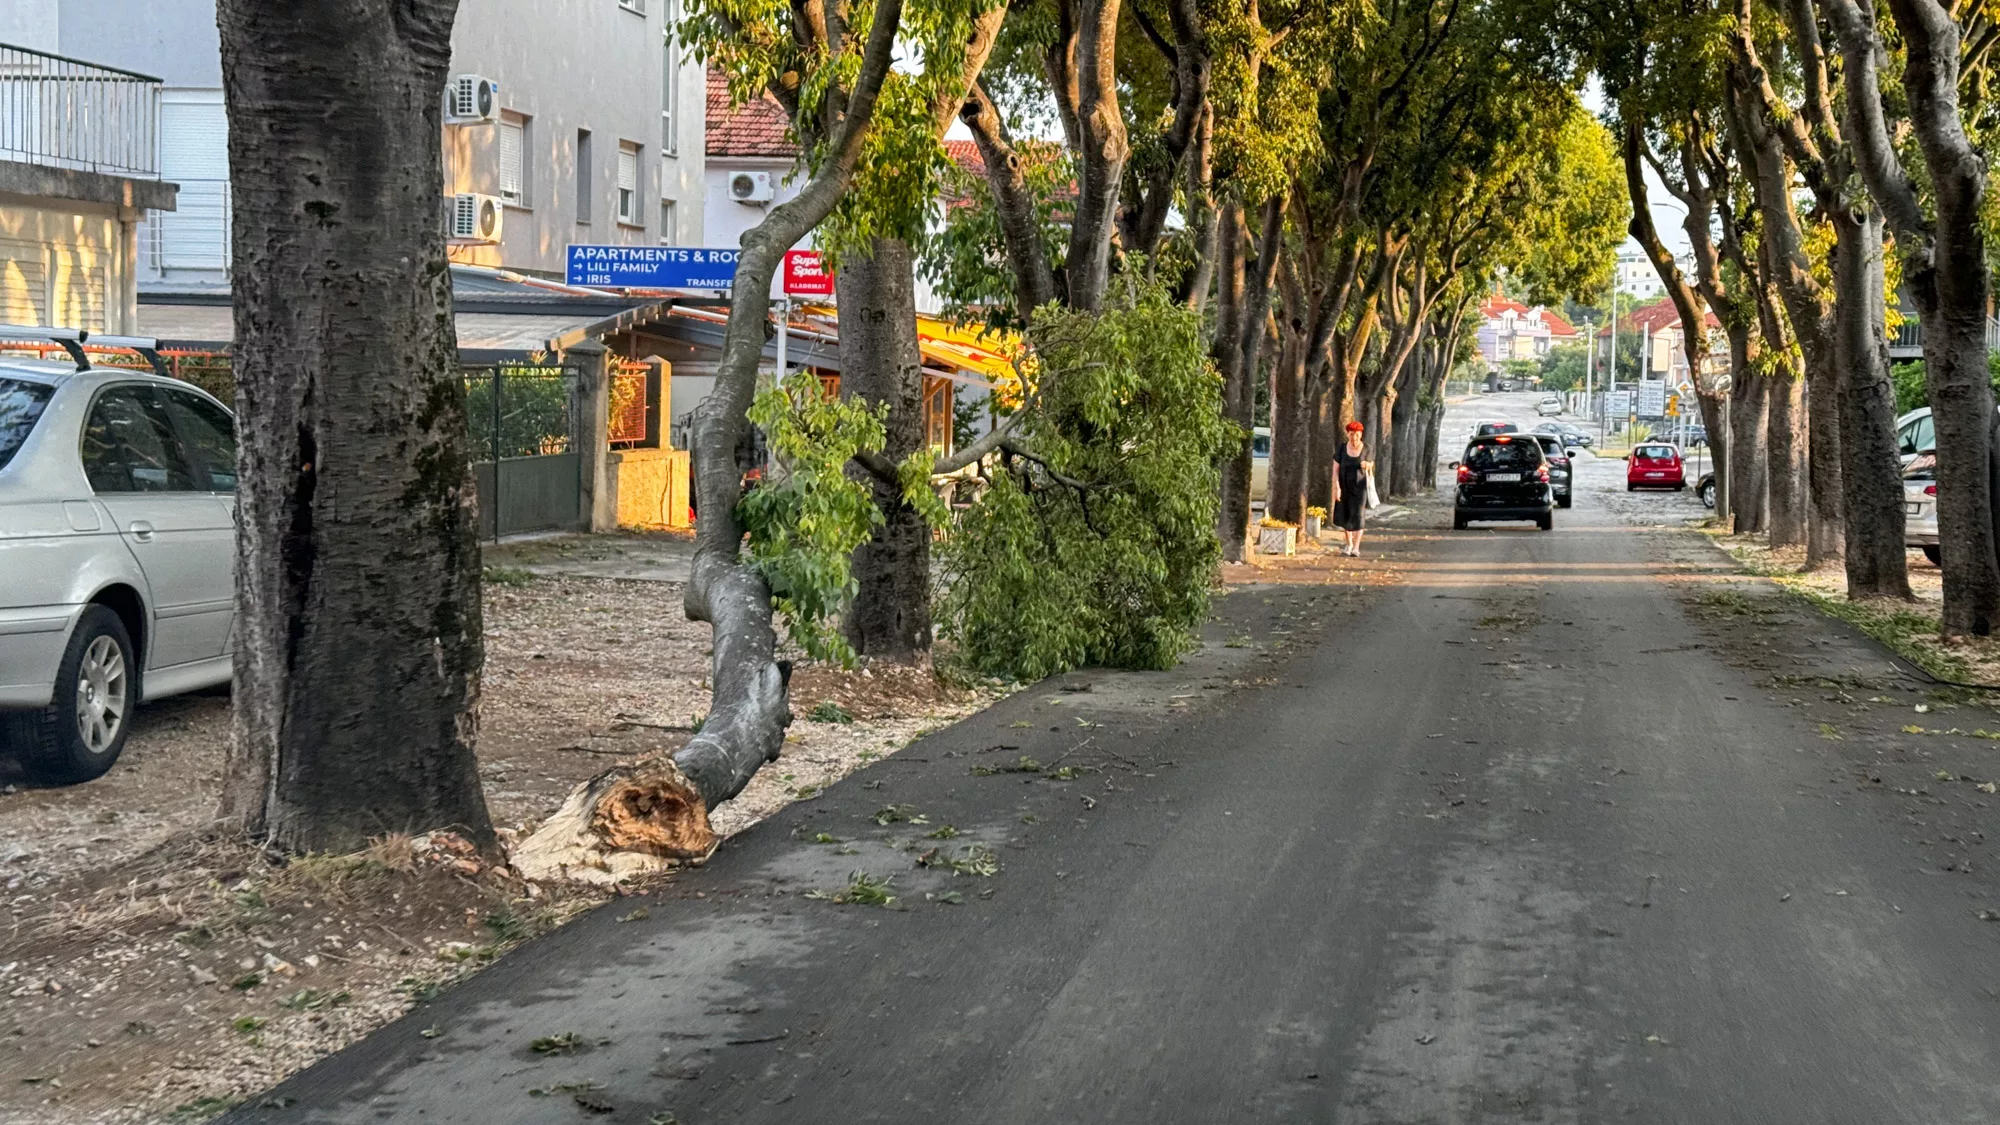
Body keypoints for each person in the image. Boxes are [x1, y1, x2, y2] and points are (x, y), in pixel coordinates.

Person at [1331, 421, 1369, 557]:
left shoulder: (1367, 448)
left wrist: (1367, 465)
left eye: (1357, 434)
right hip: (1344, 487)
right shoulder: (1341, 449)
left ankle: (1356, 547)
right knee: (1345, 515)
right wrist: (1336, 487)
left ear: (1361, 434)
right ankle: (1349, 544)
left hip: (1360, 488)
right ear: (1348, 434)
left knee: (1358, 515)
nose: (1354, 437)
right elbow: (1335, 470)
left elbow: (1371, 464)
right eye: (1352, 434)